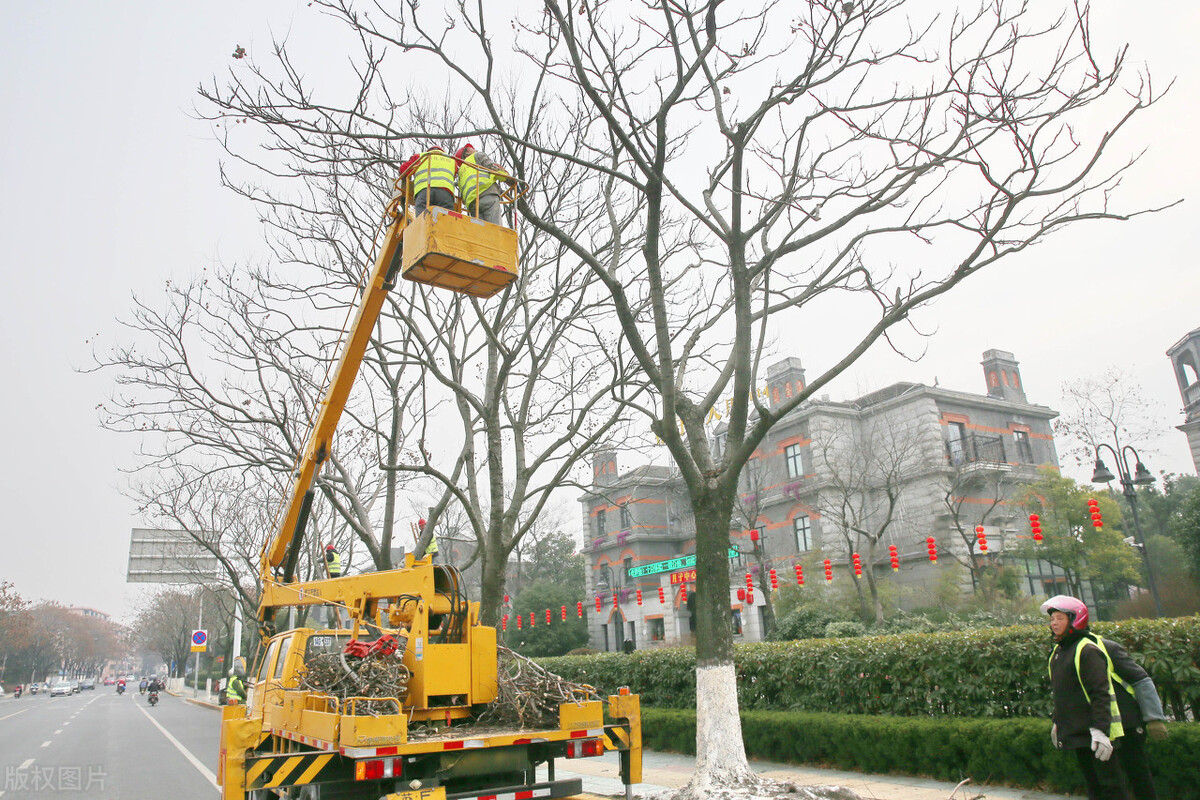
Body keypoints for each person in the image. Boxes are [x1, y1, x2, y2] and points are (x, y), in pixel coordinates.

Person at [1043, 595, 1167, 800]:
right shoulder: (1062, 651)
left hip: (1125, 723)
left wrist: (1154, 718)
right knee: (1107, 782)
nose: (1054, 623)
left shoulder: (1102, 647)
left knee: (1137, 775)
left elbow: (1141, 680)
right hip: (1102, 724)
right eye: (1051, 619)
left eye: (1059, 618)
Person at [454, 143, 514, 226]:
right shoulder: (477, 156)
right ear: (466, 152)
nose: (475, 149)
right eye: (471, 148)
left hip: (472, 204)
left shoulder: (460, 173)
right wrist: (511, 181)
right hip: (487, 195)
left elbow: (462, 195)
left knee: (482, 232)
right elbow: (493, 169)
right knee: (495, 228)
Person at [411, 146, 456, 217]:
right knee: (446, 220)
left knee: (422, 219)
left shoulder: (420, 156)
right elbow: (455, 173)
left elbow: (403, 169)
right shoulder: (452, 161)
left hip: (425, 190)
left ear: (429, 151)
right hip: (445, 193)